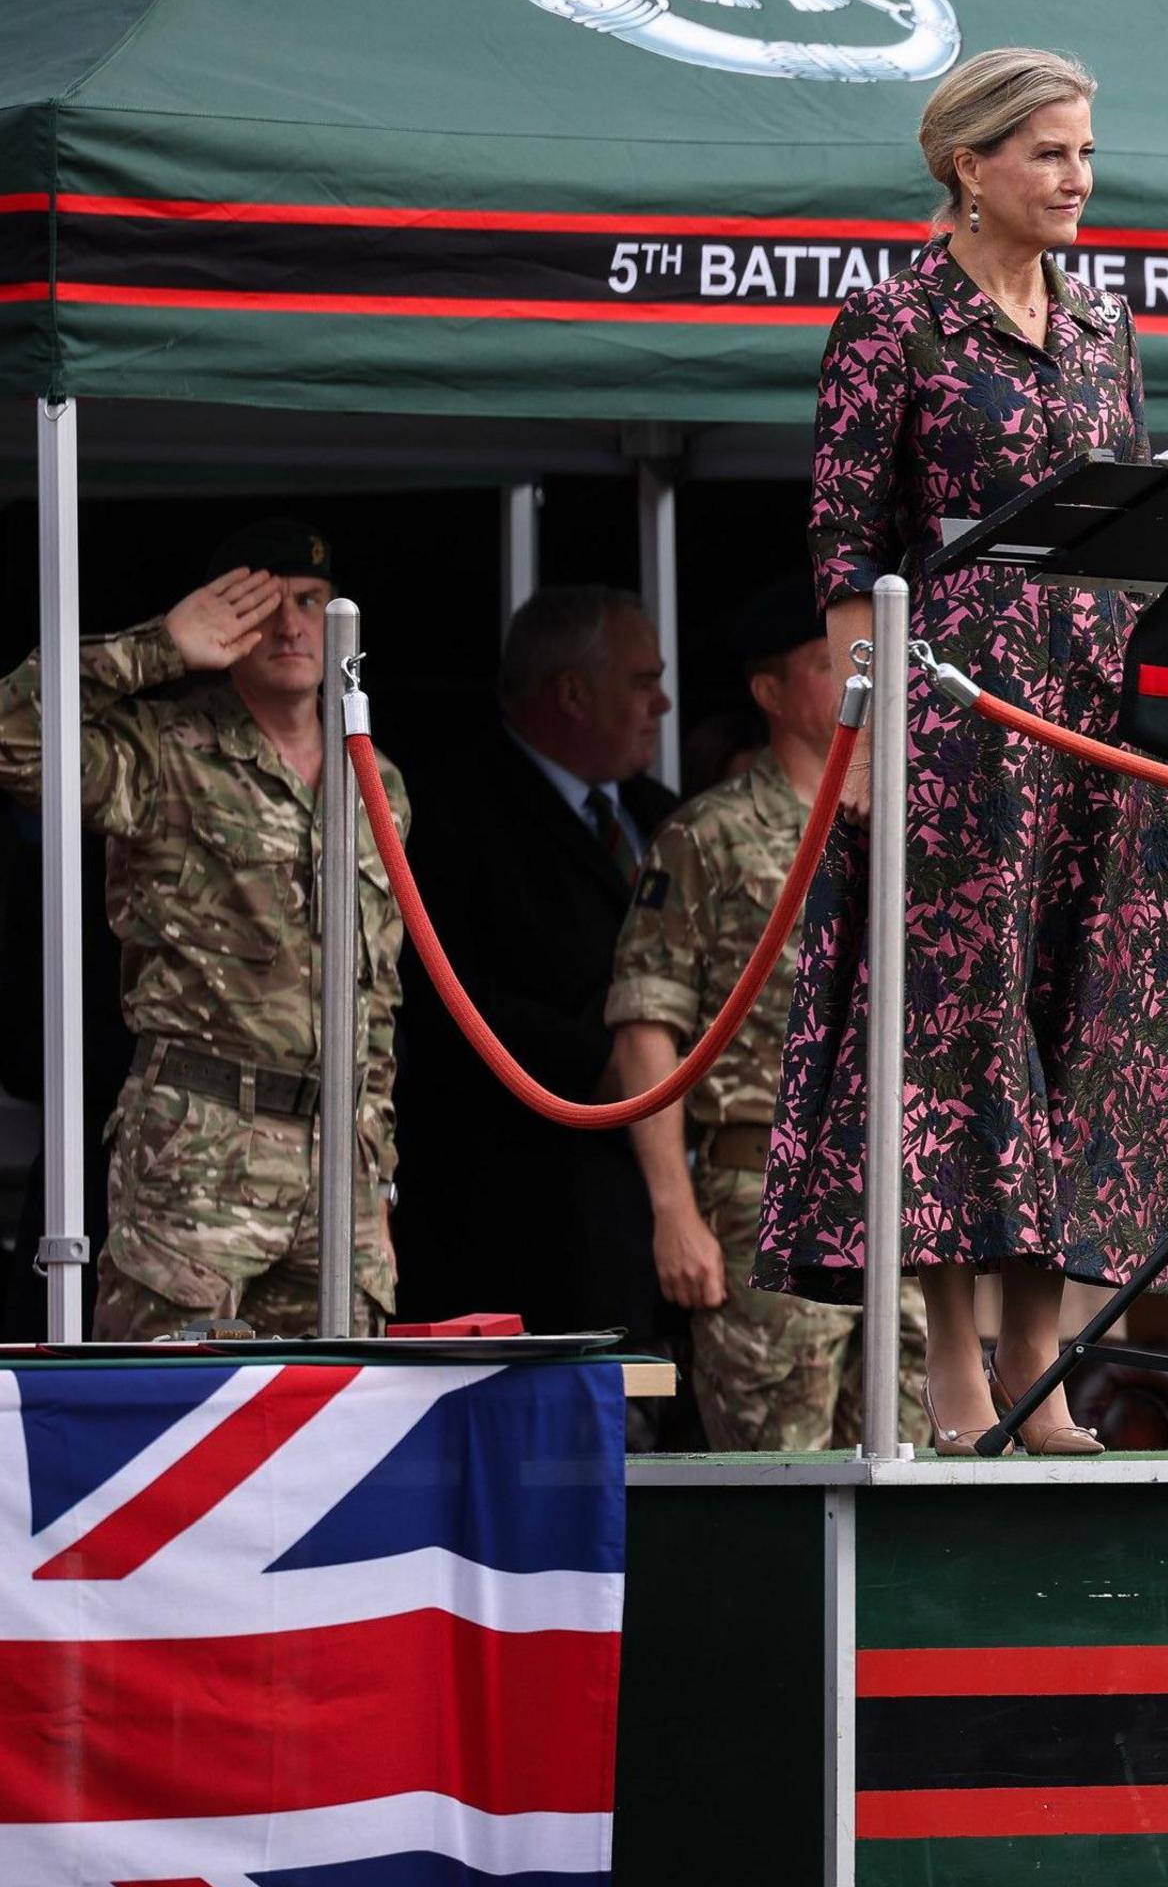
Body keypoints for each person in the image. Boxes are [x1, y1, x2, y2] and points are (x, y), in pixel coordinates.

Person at [760, 48, 1168, 1459]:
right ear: (971, 167)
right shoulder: (892, 324)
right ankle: (952, 1371)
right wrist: (866, 731)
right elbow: (843, 545)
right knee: (956, 1042)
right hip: (954, 724)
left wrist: (1167, 761)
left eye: (1086, 151)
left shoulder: (1105, 330)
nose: (1079, 180)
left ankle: (1045, 1370)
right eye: (1052, 154)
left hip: (1091, 724)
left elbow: (1139, 538)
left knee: (1080, 1022)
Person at [0, 521, 406, 1339]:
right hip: (198, 1148)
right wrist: (161, 646)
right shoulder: (169, 750)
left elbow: (380, 994)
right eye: (262, 606)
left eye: (310, 603)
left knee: (337, 1428)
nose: (292, 626)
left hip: (337, 1165)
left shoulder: (377, 778)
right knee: (170, 1422)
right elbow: (15, 734)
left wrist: (379, 1173)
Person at [604, 580, 928, 1450]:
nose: (861, 682)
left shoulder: (915, 827)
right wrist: (675, 1209)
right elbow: (646, 1026)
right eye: (831, 664)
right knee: (779, 1472)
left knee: (918, 1468)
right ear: (770, 694)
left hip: (907, 1197)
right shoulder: (708, 836)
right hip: (765, 1195)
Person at [391, 582, 676, 1343]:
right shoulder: (448, 812)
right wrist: (606, 1069)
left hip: (663, 1205)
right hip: (523, 1210)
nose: (664, 705)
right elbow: (447, 995)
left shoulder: (662, 815)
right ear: (573, 694)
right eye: (643, 681)